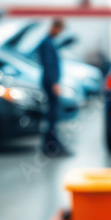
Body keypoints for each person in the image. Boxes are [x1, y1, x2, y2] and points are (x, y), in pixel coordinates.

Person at [38, 18, 70, 156]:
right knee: (52, 115)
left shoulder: (49, 42)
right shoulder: (47, 43)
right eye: (60, 30)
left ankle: (51, 144)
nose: (60, 33)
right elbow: (49, 65)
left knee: (53, 115)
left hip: (50, 82)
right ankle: (51, 146)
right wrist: (54, 83)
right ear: (55, 28)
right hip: (50, 83)